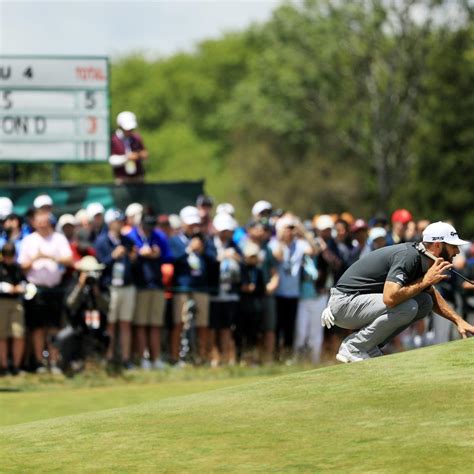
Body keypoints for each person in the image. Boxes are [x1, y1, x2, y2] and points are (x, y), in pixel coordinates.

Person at [322, 221, 474, 363]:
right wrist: (425, 281)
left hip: (355, 303)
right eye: (453, 246)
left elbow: (431, 296)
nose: (457, 251)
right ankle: (354, 346)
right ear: (438, 245)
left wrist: (459, 321)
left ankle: (371, 345)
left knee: (425, 302)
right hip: (344, 303)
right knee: (408, 307)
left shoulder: (423, 258)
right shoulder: (409, 256)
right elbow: (390, 298)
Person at [18, 209, 73, 373]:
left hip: (55, 289)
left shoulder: (59, 238)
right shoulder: (29, 240)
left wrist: (50, 257)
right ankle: (40, 361)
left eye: (45, 220)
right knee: (38, 328)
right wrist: (36, 258)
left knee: (55, 327)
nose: (42, 224)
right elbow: (22, 266)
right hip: (36, 290)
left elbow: (68, 259)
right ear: (33, 222)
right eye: (39, 221)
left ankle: (54, 360)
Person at [126, 213, 173, 369]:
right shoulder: (131, 236)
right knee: (140, 324)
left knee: (155, 324)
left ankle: (156, 359)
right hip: (140, 286)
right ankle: (142, 358)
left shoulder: (158, 236)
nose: (150, 228)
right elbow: (129, 259)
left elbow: (168, 257)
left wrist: (157, 254)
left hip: (156, 285)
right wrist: (139, 253)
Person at [95, 209, 137, 369]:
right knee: (111, 324)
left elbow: (133, 262)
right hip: (110, 287)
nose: (119, 224)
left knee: (126, 323)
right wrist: (112, 256)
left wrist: (134, 258)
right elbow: (100, 265)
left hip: (127, 286)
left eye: (121, 221)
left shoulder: (127, 240)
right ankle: (109, 356)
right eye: (116, 221)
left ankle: (126, 358)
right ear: (109, 223)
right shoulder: (102, 241)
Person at [0, 243, 27, 376]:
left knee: (18, 334)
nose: (8, 259)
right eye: (6, 256)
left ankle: (16, 366)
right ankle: (4, 367)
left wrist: (21, 288)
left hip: (16, 302)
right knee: (2, 336)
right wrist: (7, 288)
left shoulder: (17, 268)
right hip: (2, 302)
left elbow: (24, 282)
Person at [109, 111, 148, 185]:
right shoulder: (113, 140)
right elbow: (111, 160)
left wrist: (141, 155)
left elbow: (144, 153)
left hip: (138, 178)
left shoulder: (136, 138)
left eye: (131, 129)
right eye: (127, 129)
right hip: (122, 179)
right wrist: (127, 158)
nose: (129, 131)